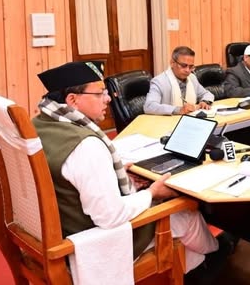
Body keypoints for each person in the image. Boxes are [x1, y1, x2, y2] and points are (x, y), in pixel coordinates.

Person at [32, 61, 229, 280]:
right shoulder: (86, 145)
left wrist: (113, 174)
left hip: (61, 227)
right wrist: (152, 193)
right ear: (72, 100)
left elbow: (71, 177)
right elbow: (110, 216)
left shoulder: (39, 125)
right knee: (186, 213)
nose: (108, 98)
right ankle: (215, 255)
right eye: (100, 93)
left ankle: (193, 268)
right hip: (90, 240)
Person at [144, 46, 214, 116]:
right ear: (172, 63)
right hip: (168, 121)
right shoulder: (159, 81)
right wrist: (178, 110)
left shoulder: (192, 78)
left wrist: (204, 102)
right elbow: (149, 106)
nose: (187, 70)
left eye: (191, 67)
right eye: (183, 65)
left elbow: (206, 94)